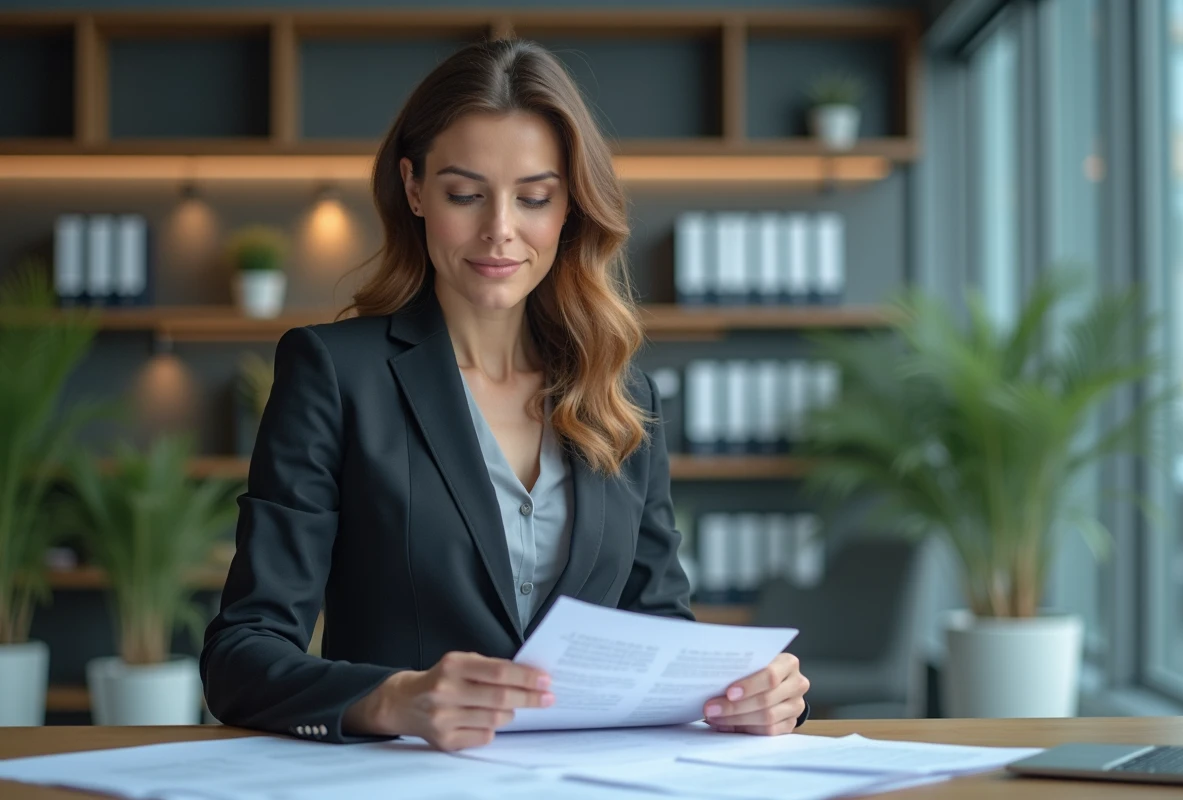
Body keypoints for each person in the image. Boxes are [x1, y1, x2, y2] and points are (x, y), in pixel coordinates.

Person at [200, 37, 811, 751]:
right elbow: (241, 655)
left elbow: (657, 636)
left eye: (534, 197)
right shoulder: (336, 374)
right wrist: (393, 699)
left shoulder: (620, 394)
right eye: (465, 194)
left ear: (569, 208)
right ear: (415, 188)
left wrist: (746, 695)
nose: (500, 231)